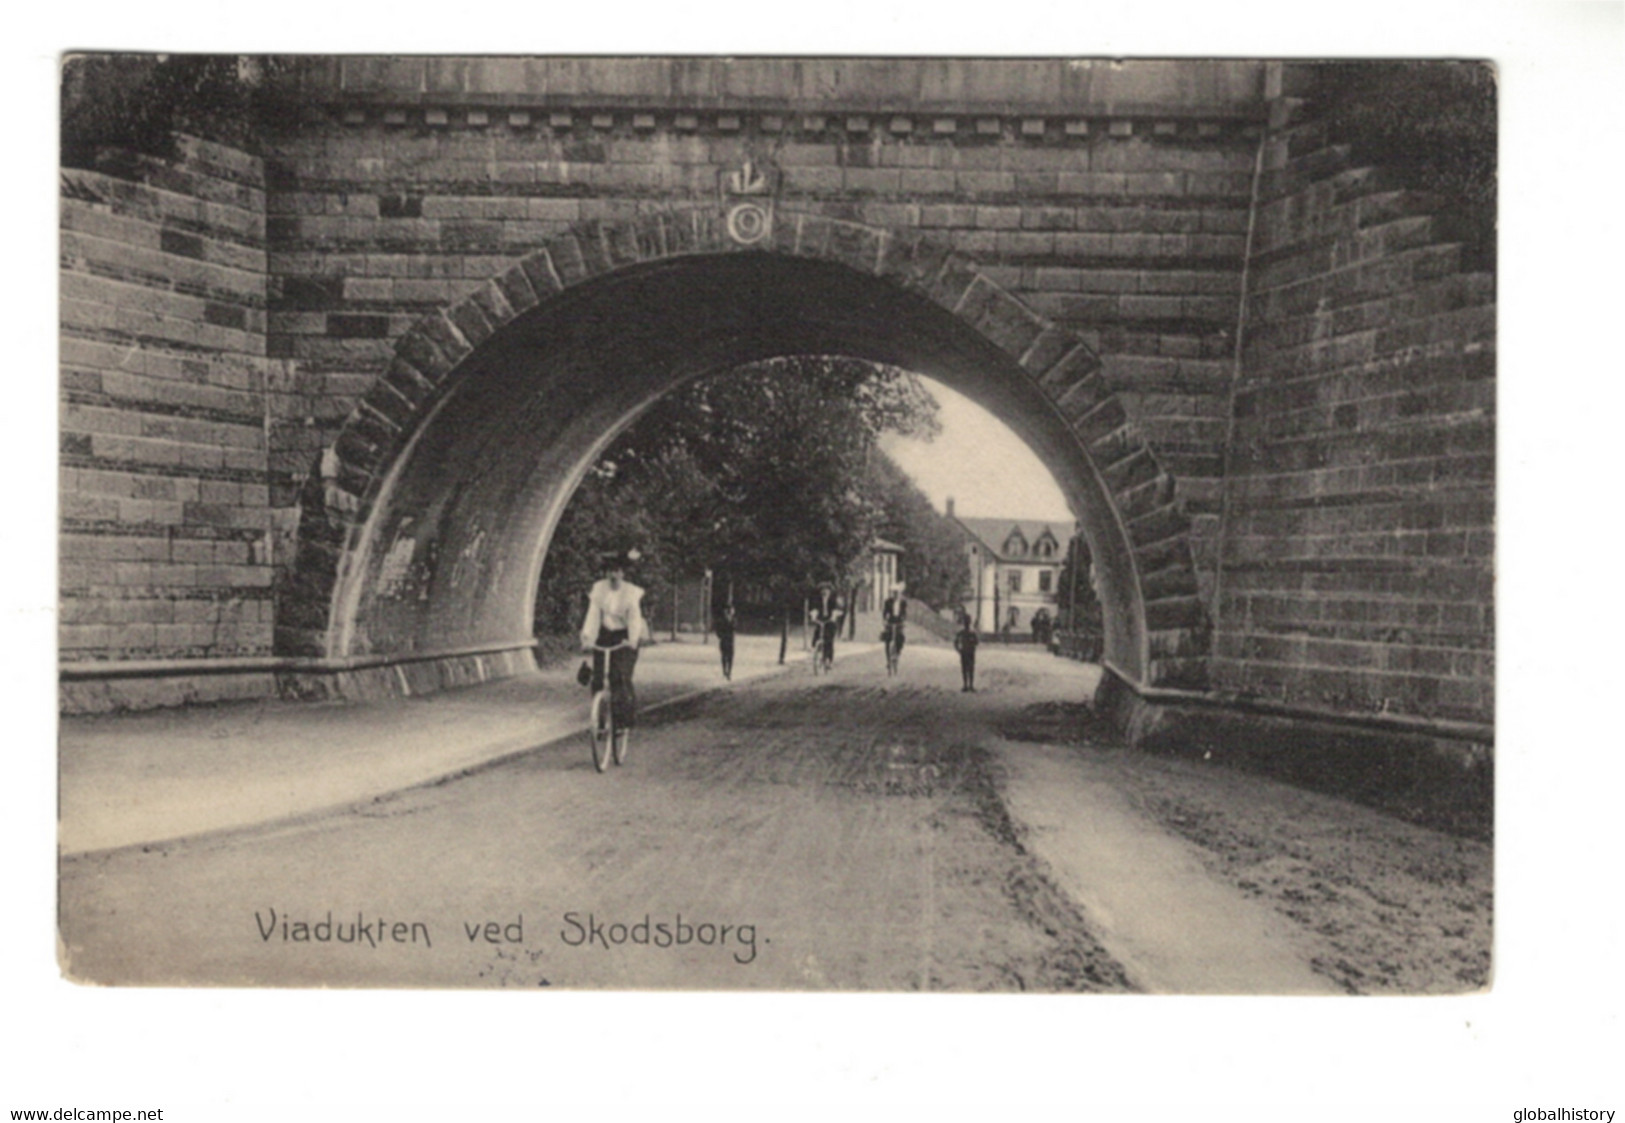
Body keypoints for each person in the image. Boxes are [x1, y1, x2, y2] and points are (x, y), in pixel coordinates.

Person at [580, 549, 648, 734]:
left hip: (624, 637)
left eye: (617, 571)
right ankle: (600, 721)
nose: (613, 575)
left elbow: (634, 619)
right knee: (598, 678)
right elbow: (593, 615)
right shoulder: (599, 589)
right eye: (610, 571)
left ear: (623, 573)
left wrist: (632, 640)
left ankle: (622, 722)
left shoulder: (631, 592)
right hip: (605, 635)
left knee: (619, 676)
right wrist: (587, 638)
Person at [811, 581, 844, 670]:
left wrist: (834, 615)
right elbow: (815, 608)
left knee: (829, 640)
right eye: (823, 590)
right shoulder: (818, 599)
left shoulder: (833, 599)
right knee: (816, 635)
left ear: (829, 591)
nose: (824, 592)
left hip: (830, 621)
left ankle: (829, 660)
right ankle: (816, 650)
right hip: (821, 619)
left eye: (826, 590)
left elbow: (837, 608)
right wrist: (814, 615)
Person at [954, 610, 979, 692]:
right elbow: (976, 642)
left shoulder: (963, 633)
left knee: (967, 669)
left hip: (966, 652)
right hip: (968, 652)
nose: (967, 624)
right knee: (968, 669)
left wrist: (959, 650)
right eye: (966, 622)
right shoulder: (968, 633)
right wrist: (959, 649)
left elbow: (976, 642)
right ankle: (968, 685)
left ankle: (967, 685)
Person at [881, 585, 907, 660]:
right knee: (887, 638)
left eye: (897, 593)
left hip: (899, 621)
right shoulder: (888, 602)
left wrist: (903, 620)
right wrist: (885, 620)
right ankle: (888, 659)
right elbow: (885, 612)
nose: (895, 595)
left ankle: (898, 651)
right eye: (894, 593)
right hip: (891, 621)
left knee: (900, 637)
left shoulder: (903, 602)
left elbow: (904, 613)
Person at [714, 601, 737, 681]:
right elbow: (717, 629)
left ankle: (729, 672)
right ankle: (724, 671)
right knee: (724, 656)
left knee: (730, 656)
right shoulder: (721, 619)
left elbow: (734, 627)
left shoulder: (733, 619)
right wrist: (720, 636)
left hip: (730, 640)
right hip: (724, 640)